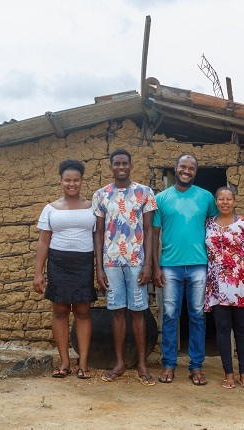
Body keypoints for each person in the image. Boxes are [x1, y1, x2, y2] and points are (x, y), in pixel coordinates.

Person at [92, 148, 158, 386]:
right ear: (110, 167)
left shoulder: (144, 192)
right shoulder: (101, 195)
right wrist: (98, 268)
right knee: (117, 311)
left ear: (131, 165)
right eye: (116, 164)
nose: (121, 167)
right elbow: (98, 233)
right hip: (111, 262)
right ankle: (119, 363)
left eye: (124, 164)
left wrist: (148, 263)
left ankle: (141, 364)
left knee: (138, 311)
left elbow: (149, 230)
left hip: (136, 261)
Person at [152, 153, 218, 385]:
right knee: (170, 315)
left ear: (195, 172)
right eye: (183, 167)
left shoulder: (206, 197)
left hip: (199, 265)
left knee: (197, 316)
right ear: (175, 168)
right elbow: (154, 234)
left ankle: (196, 366)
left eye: (191, 168)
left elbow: (215, 228)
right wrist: (155, 267)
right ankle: (169, 364)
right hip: (170, 265)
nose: (186, 171)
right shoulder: (161, 199)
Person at [33, 160, 97, 379]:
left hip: (84, 263)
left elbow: (98, 238)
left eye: (76, 180)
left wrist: (99, 269)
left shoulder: (92, 207)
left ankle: (84, 364)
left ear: (82, 181)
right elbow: (43, 242)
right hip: (58, 263)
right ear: (61, 181)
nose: (72, 184)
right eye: (67, 180)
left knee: (82, 312)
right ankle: (64, 362)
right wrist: (38, 272)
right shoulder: (51, 209)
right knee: (60, 312)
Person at [204, 186, 244, 389]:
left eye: (229, 199)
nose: (225, 202)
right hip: (217, 284)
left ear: (235, 201)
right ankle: (228, 373)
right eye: (221, 199)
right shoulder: (208, 224)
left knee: (241, 330)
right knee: (222, 329)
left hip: (240, 283)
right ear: (216, 202)